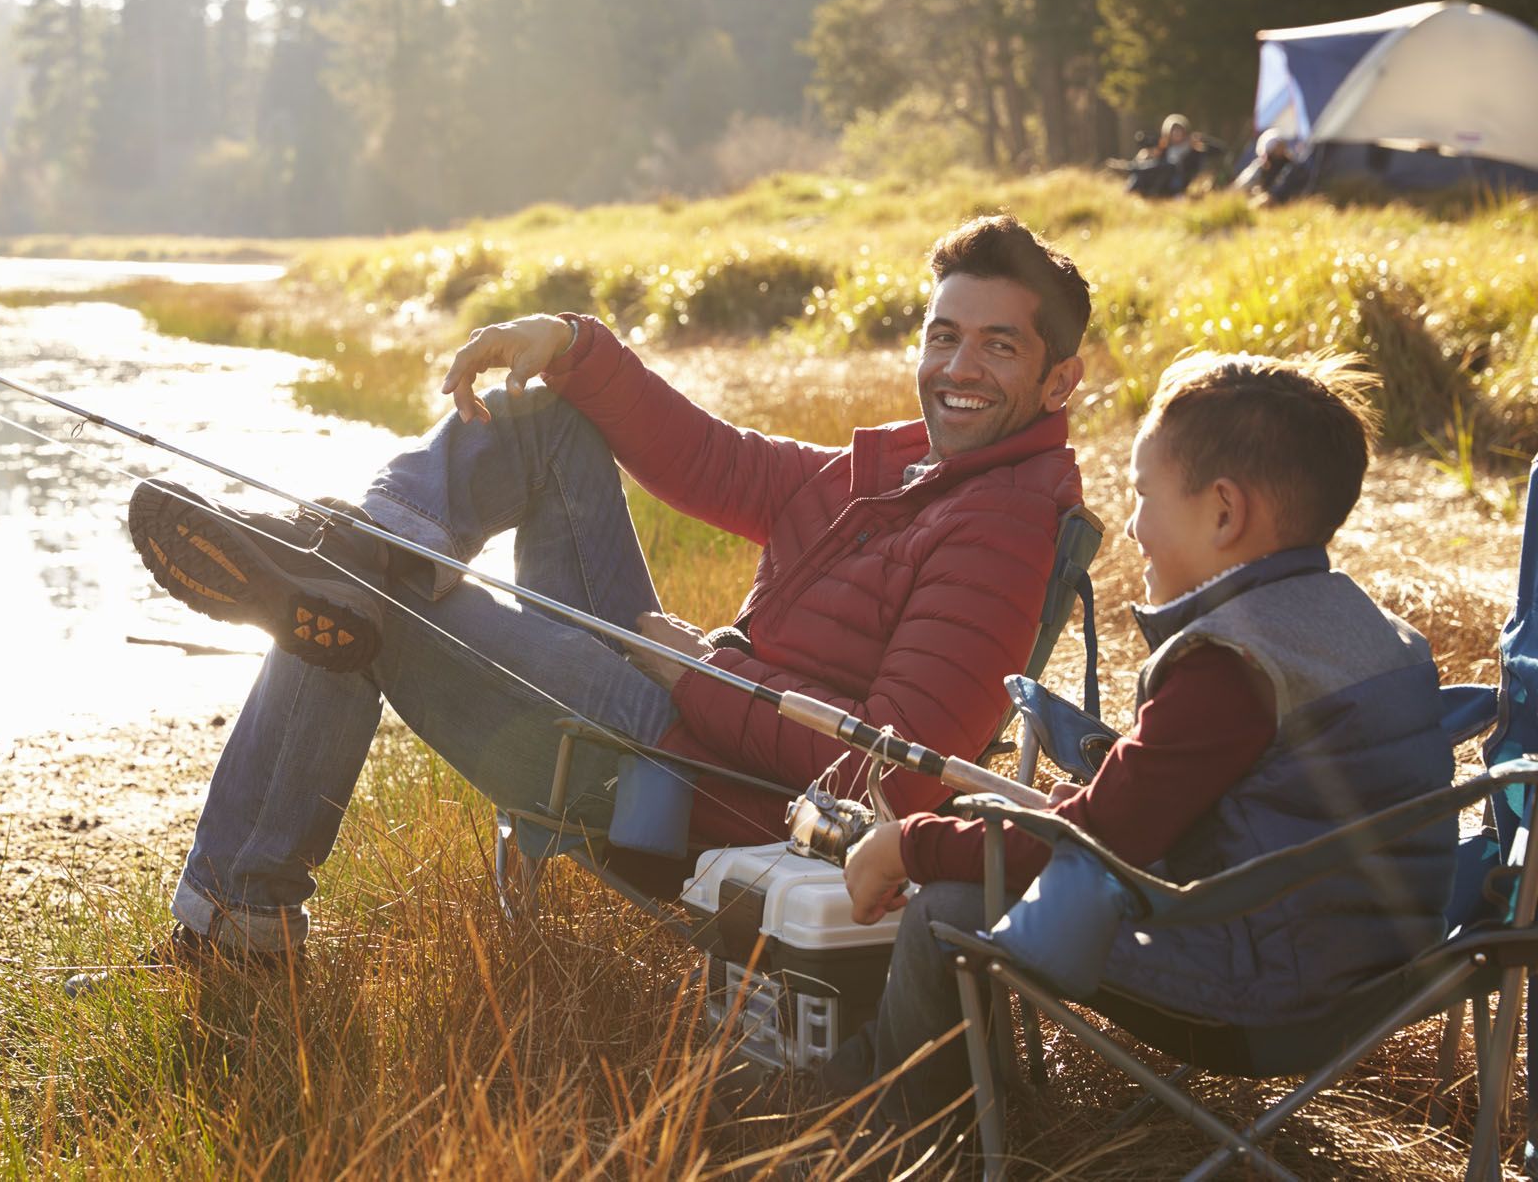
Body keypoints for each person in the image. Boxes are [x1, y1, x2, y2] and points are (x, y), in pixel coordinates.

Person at [75, 214, 1092, 984]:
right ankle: (372, 548)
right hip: (686, 703)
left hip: (700, 783)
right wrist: (566, 343)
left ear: (1058, 379)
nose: (957, 367)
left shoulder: (998, 527)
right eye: (943, 335)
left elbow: (885, 778)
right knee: (537, 423)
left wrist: (696, 667)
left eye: (997, 346)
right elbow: (716, 462)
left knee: (362, 602)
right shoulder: (906, 471)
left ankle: (237, 915)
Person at [835, 350, 1456, 1130]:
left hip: (1266, 996)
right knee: (993, 838)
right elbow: (1214, 807)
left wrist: (905, 845)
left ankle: (892, 1136)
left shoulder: (1231, 666)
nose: (1131, 524)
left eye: (1142, 495)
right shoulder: (1371, 629)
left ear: (1224, 513)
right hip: (1381, 973)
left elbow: (1097, 845)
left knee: (948, 905)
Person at [1112, 113, 1222, 198]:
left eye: (1179, 131)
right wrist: (1149, 153)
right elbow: (1140, 138)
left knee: (1170, 166)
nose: (1176, 134)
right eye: (1174, 131)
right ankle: (1128, 190)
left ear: (1185, 131)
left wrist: (1204, 140)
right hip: (1161, 182)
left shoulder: (1193, 149)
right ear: (1168, 133)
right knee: (1142, 170)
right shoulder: (1164, 148)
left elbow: (1220, 149)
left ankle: (1129, 168)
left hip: (1177, 184)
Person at [1233, 127, 1312, 205]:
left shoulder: (1291, 167)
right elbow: (1242, 185)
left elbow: (1276, 192)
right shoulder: (1262, 165)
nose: (1283, 146)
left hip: (1282, 205)